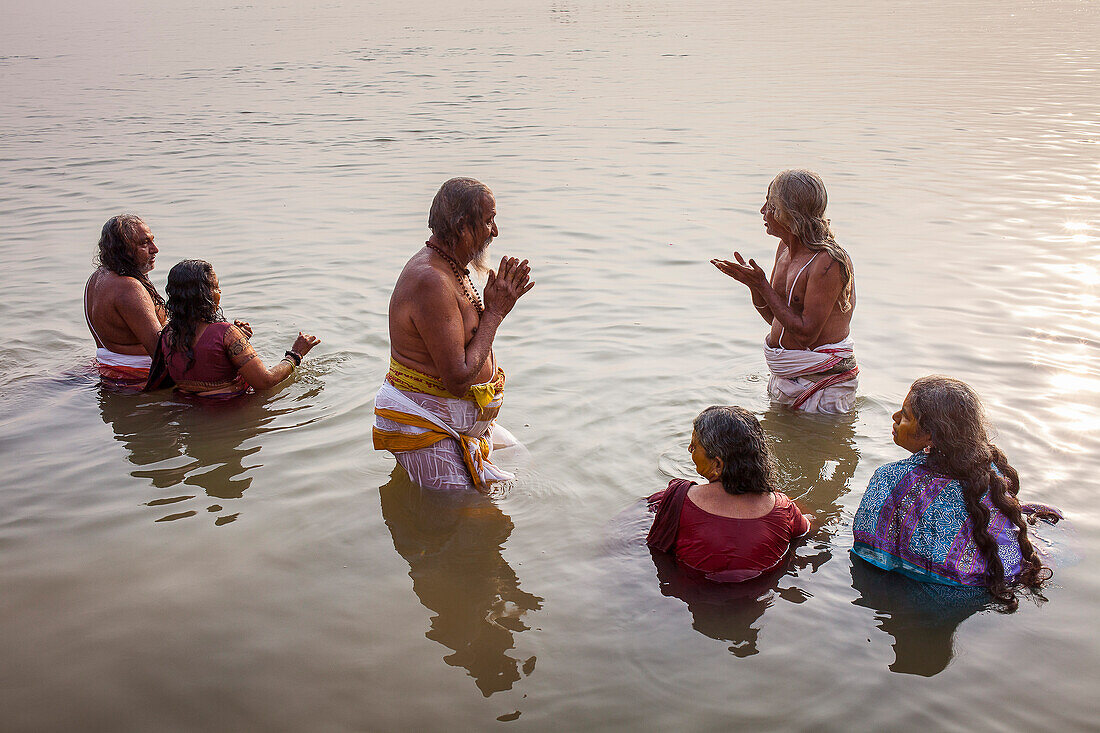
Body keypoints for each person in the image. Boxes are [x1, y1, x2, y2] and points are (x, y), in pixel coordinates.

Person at [373, 177, 534, 492]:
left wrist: (492, 310)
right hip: (427, 426)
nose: (496, 231)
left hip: (458, 425)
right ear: (462, 226)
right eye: (489, 221)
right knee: (466, 516)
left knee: (521, 460)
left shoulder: (452, 268)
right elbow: (458, 380)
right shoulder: (431, 281)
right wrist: (496, 313)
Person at [851, 376, 1056, 612]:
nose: (895, 417)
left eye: (906, 415)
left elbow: (867, 553)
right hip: (991, 584)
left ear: (931, 435)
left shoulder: (891, 477)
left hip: (929, 598)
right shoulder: (992, 470)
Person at [712, 170, 857, 413]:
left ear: (788, 214)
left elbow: (807, 335)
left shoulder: (827, 263)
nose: (762, 211)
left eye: (770, 205)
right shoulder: (785, 248)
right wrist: (754, 286)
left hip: (823, 385)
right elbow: (775, 318)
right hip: (787, 379)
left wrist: (762, 286)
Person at [647, 406, 812, 582]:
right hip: (758, 603)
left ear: (717, 465)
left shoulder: (678, 499)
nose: (689, 449)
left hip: (690, 596)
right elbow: (806, 531)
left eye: (694, 446)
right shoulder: (783, 508)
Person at [155, 259, 320, 397]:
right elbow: (265, 382)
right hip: (229, 408)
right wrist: (295, 354)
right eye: (215, 287)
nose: (219, 291)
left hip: (189, 407)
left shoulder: (168, 332)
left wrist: (236, 341)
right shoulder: (226, 333)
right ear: (204, 296)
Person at [84, 214, 167, 387]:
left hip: (110, 369)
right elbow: (162, 353)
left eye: (152, 240)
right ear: (124, 250)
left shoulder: (98, 276)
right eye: (144, 243)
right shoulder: (128, 287)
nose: (155, 249)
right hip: (136, 378)